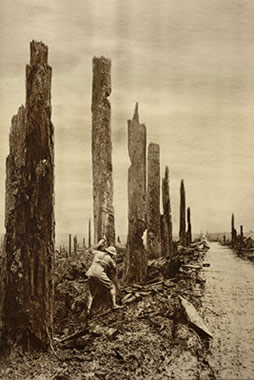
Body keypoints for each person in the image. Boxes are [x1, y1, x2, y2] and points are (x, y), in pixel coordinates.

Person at [86, 238, 121, 315]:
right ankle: (114, 305)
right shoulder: (110, 260)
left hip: (90, 272)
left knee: (91, 293)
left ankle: (88, 309)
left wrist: (99, 244)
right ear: (112, 254)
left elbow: (91, 250)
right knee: (112, 287)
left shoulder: (98, 253)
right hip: (99, 273)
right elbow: (114, 270)